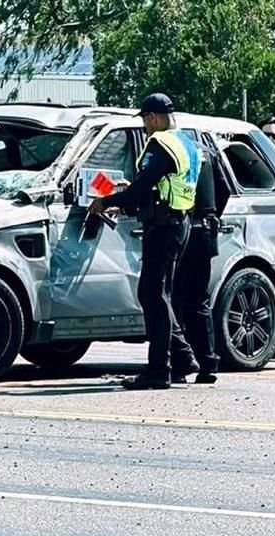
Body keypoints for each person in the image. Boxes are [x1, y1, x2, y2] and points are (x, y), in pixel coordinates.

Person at [88, 92, 200, 389]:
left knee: (151, 295)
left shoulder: (160, 143)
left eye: (145, 121)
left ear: (153, 117)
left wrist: (106, 201)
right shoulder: (187, 143)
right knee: (161, 295)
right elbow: (160, 185)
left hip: (163, 227)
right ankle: (183, 358)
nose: (145, 127)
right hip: (180, 222)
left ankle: (158, 371)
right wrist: (132, 195)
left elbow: (141, 190)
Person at [171, 139, 226, 383]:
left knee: (175, 299)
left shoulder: (170, 148)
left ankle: (180, 364)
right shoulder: (205, 151)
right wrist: (210, 213)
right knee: (199, 300)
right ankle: (208, 363)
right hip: (205, 231)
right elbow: (224, 188)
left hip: (182, 230)